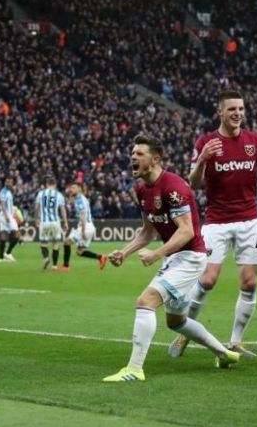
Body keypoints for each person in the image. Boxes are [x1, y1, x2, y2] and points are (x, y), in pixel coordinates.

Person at [102, 134, 240, 382]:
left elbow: (186, 230)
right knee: (176, 322)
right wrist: (124, 252)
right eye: (132, 153)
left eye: (139, 153)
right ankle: (224, 353)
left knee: (146, 300)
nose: (133, 156)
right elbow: (148, 231)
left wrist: (156, 254)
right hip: (177, 258)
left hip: (189, 257)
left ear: (155, 159)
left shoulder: (173, 187)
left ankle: (134, 369)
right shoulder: (142, 188)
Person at [169, 91, 257, 358]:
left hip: (249, 221)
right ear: (219, 112)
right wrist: (202, 161)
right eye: (232, 109)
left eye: (241, 109)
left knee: (249, 283)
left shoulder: (254, 141)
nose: (237, 113)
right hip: (217, 222)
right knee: (208, 279)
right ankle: (184, 333)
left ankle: (236, 341)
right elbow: (194, 184)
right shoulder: (205, 142)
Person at [63, 183, 107, 271]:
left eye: (73, 187)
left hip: (85, 227)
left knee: (67, 242)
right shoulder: (80, 198)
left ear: (79, 189)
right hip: (90, 227)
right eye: (71, 187)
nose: (71, 189)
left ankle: (65, 266)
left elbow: (83, 216)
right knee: (80, 252)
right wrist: (69, 194)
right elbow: (70, 201)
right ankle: (100, 257)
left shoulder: (80, 200)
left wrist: (83, 231)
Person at [35, 177, 68, 271]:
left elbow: (36, 207)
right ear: (55, 184)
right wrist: (65, 222)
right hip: (55, 221)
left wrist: (36, 218)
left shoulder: (41, 194)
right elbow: (62, 209)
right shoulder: (59, 195)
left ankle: (46, 258)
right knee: (56, 243)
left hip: (44, 221)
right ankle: (54, 266)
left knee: (44, 242)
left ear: (46, 184)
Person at [0, 177, 20, 263]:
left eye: (10, 182)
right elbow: (2, 204)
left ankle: (0, 258)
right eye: (7, 182)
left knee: (4, 235)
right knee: (17, 235)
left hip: (6, 215)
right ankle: (8, 253)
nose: (8, 183)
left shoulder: (8, 191)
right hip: (6, 215)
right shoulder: (3, 192)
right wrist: (7, 215)